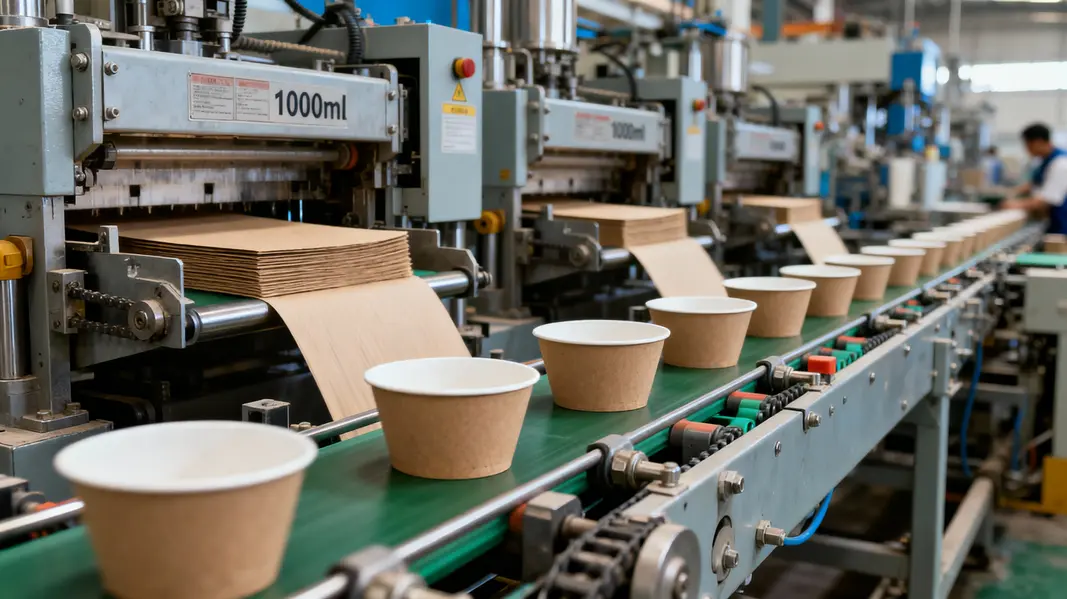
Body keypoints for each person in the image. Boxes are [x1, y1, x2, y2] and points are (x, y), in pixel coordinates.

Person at [1001, 123, 1067, 235]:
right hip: (1051, 222)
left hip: (1061, 227)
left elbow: (1046, 200)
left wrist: (1015, 204)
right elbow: (1035, 182)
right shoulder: (1045, 161)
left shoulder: (1061, 163)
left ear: (1038, 142)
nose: (1027, 149)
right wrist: (1014, 191)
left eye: (1028, 145)